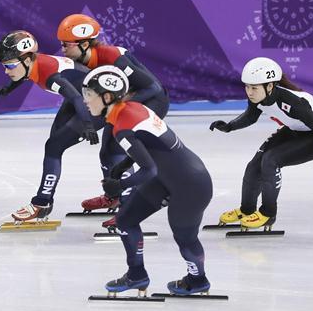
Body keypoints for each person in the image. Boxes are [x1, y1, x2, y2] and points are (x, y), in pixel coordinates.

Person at [82, 65, 214, 295]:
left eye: (89, 94)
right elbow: (149, 146)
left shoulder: (122, 127)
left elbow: (148, 170)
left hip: (191, 186)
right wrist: (123, 166)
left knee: (185, 238)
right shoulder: (132, 108)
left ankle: (198, 280)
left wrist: (119, 185)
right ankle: (137, 275)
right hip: (173, 176)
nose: (85, 100)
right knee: (125, 220)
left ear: (107, 97)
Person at [56, 13, 169, 223]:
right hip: (126, 100)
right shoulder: (83, 61)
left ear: (85, 44)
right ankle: (114, 197)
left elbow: (153, 87)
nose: (62, 49)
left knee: (117, 148)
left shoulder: (110, 56)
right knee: (106, 150)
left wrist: (117, 105)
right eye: (61, 44)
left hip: (152, 100)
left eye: (66, 44)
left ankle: (128, 207)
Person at [210, 57, 313, 229]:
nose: (249, 92)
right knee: (254, 165)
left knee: (271, 160)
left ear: (270, 86)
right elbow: (250, 117)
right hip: (294, 130)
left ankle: (268, 213)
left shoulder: (292, 102)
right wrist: (229, 127)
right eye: (247, 87)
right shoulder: (259, 96)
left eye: (254, 88)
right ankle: (246, 210)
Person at [0, 30, 102, 222]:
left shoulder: (50, 76)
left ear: (27, 59)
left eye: (9, 66)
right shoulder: (31, 64)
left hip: (98, 103)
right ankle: (45, 202)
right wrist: (6, 90)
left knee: (53, 146)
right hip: (84, 96)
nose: (6, 72)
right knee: (53, 144)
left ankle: (41, 203)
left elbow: (76, 98)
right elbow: (24, 76)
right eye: (4, 66)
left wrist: (88, 125)